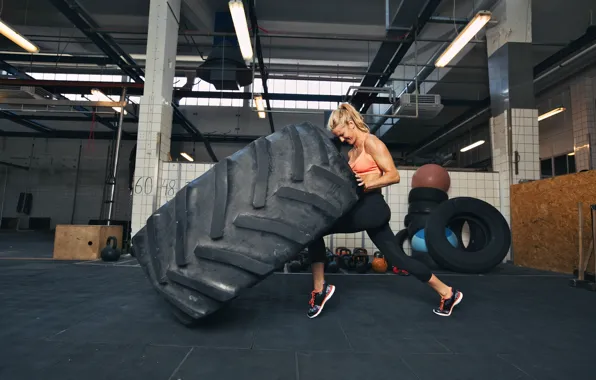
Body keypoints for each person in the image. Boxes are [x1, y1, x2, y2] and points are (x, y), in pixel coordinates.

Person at [306, 103, 463, 319]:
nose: (342, 140)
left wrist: (367, 183)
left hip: (373, 208)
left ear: (351, 124)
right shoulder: (352, 153)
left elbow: (393, 175)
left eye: (343, 134)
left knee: (314, 229)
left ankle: (319, 288)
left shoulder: (372, 143)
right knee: (399, 259)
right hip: (362, 209)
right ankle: (448, 292)